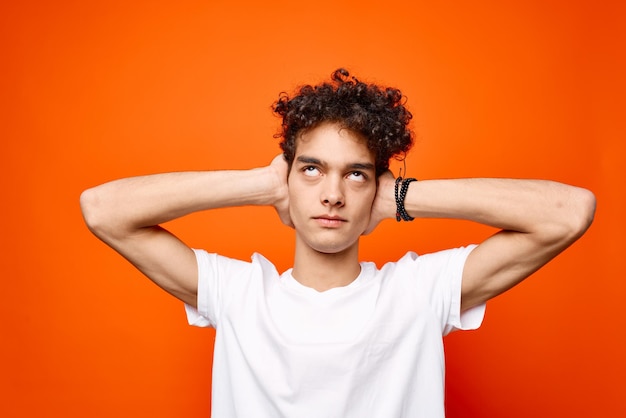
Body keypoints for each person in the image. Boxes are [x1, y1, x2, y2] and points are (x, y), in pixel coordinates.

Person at [80, 68, 595, 417]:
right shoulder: (238, 294)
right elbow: (103, 210)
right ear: (287, 177)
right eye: (312, 169)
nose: (331, 195)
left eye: (355, 175)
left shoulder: (417, 292)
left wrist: (400, 196)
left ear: (377, 188)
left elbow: (568, 214)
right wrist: (261, 185)